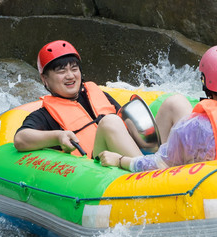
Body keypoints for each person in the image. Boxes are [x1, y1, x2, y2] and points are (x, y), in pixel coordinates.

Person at [98, 45, 217, 172]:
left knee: (108, 123)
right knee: (175, 102)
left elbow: (158, 166)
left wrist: (120, 160)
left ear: (205, 82)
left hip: (187, 181)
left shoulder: (196, 127)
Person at [13, 40, 143, 159]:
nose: (70, 76)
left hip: (124, 157)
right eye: (61, 71)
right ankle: (147, 168)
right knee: (110, 121)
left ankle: (149, 166)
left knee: (155, 109)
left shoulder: (100, 95)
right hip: (96, 164)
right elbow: (20, 139)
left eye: (74, 69)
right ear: (44, 79)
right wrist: (58, 136)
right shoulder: (44, 115)